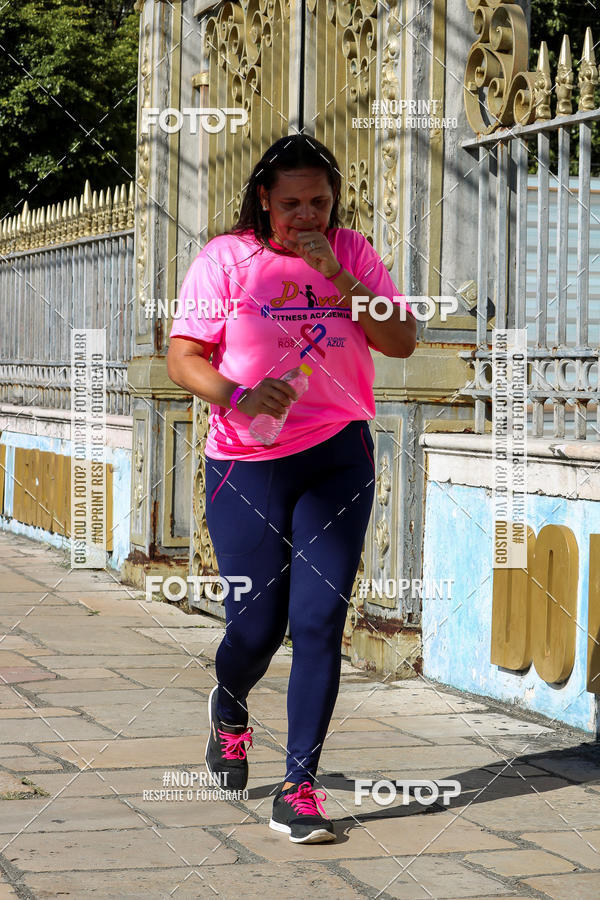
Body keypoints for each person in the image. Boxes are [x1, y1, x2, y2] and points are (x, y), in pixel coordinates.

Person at [167, 134, 417, 843]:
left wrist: (340, 277)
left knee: (317, 623)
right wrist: (239, 394)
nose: (306, 216)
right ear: (263, 201)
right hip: (247, 460)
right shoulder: (226, 258)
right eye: (290, 205)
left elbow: (402, 341)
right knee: (256, 625)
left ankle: (299, 787)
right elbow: (183, 357)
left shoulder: (355, 254)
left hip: (338, 455)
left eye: (319, 201)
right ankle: (229, 705)